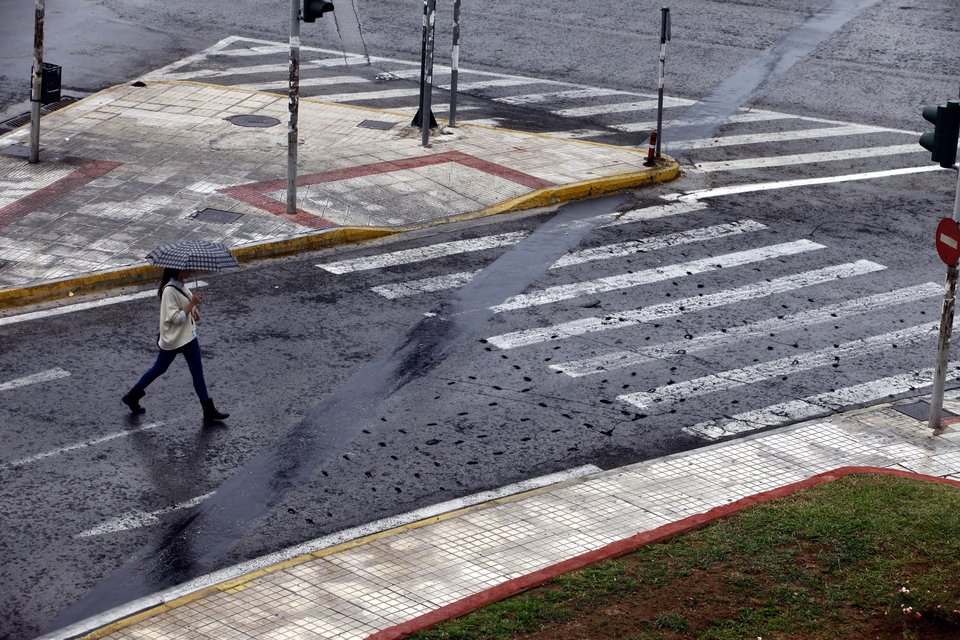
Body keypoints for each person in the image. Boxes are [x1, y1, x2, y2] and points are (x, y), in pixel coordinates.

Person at [122, 268, 229, 422]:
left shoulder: (181, 285)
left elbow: (187, 302)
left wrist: (194, 309)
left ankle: (208, 410)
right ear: (178, 271)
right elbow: (176, 319)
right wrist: (192, 303)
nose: (190, 271)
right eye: (187, 269)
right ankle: (132, 396)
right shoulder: (168, 291)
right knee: (158, 369)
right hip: (174, 340)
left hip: (189, 337)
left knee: (198, 373)